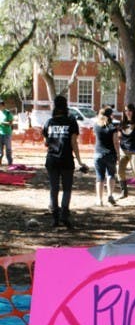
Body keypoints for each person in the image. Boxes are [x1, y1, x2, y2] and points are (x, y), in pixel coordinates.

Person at [43, 95, 87, 227]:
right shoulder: (71, 122)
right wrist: (79, 161)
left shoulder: (49, 122)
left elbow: (46, 142)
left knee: (54, 188)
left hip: (52, 160)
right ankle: (64, 215)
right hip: (67, 159)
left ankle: (55, 217)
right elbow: (74, 142)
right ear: (66, 106)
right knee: (67, 189)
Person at [93, 106, 120, 206]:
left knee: (99, 177)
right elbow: (116, 142)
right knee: (111, 175)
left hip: (98, 153)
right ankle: (110, 195)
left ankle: (99, 200)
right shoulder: (112, 127)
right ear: (111, 115)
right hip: (110, 154)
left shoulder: (96, 126)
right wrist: (118, 154)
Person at [0, 98, 14, 165]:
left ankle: (10, 163)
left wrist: (2, 123)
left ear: (3, 105)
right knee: (0, 150)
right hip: (0, 134)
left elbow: (10, 123)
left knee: (8, 149)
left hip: (7, 134)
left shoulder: (8, 113)